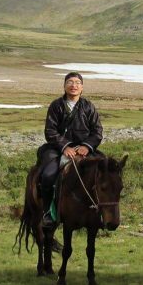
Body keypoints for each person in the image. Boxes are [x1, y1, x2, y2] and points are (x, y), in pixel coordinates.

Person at [37, 72, 104, 226]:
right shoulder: (56, 106)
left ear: (82, 88)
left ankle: (101, 212)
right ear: (64, 86)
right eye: (70, 82)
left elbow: (97, 132)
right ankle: (47, 211)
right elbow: (50, 131)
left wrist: (87, 146)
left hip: (84, 148)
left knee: (106, 171)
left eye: (77, 83)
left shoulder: (88, 107)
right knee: (48, 175)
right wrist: (65, 146)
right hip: (57, 148)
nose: (74, 85)